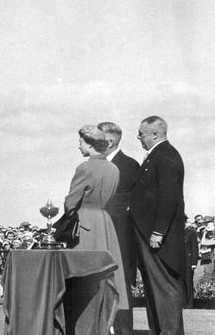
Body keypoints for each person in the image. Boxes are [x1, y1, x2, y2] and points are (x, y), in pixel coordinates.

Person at [63, 125, 129, 332]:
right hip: (104, 222)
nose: (78, 145)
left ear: (90, 144)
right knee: (105, 277)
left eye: (81, 141)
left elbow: (71, 202)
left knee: (83, 278)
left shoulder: (85, 168)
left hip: (85, 224)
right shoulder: (113, 168)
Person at [130, 116, 185, 334]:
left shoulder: (165, 156)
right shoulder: (158, 156)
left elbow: (168, 198)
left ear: (154, 134)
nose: (138, 137)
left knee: (164, 288)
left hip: (156, 237)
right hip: (148, 234)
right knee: (155, 289)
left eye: (141, 133)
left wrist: (158, 231)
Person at [97, 122, 139, 335]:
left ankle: (123, 330)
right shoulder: (98, 165)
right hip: (100, 233)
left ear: (110, 141)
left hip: (120, 235)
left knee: (120, 282)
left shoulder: (129, 165)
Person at [184, 217, 199, 308]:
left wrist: (194, 263)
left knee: (188, 283)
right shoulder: (176, 232)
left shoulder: (191, 232)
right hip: (179, 262)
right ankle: (182, 303)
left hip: (188, 262)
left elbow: (194, 248)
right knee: (180, 283)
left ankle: (189, 304)